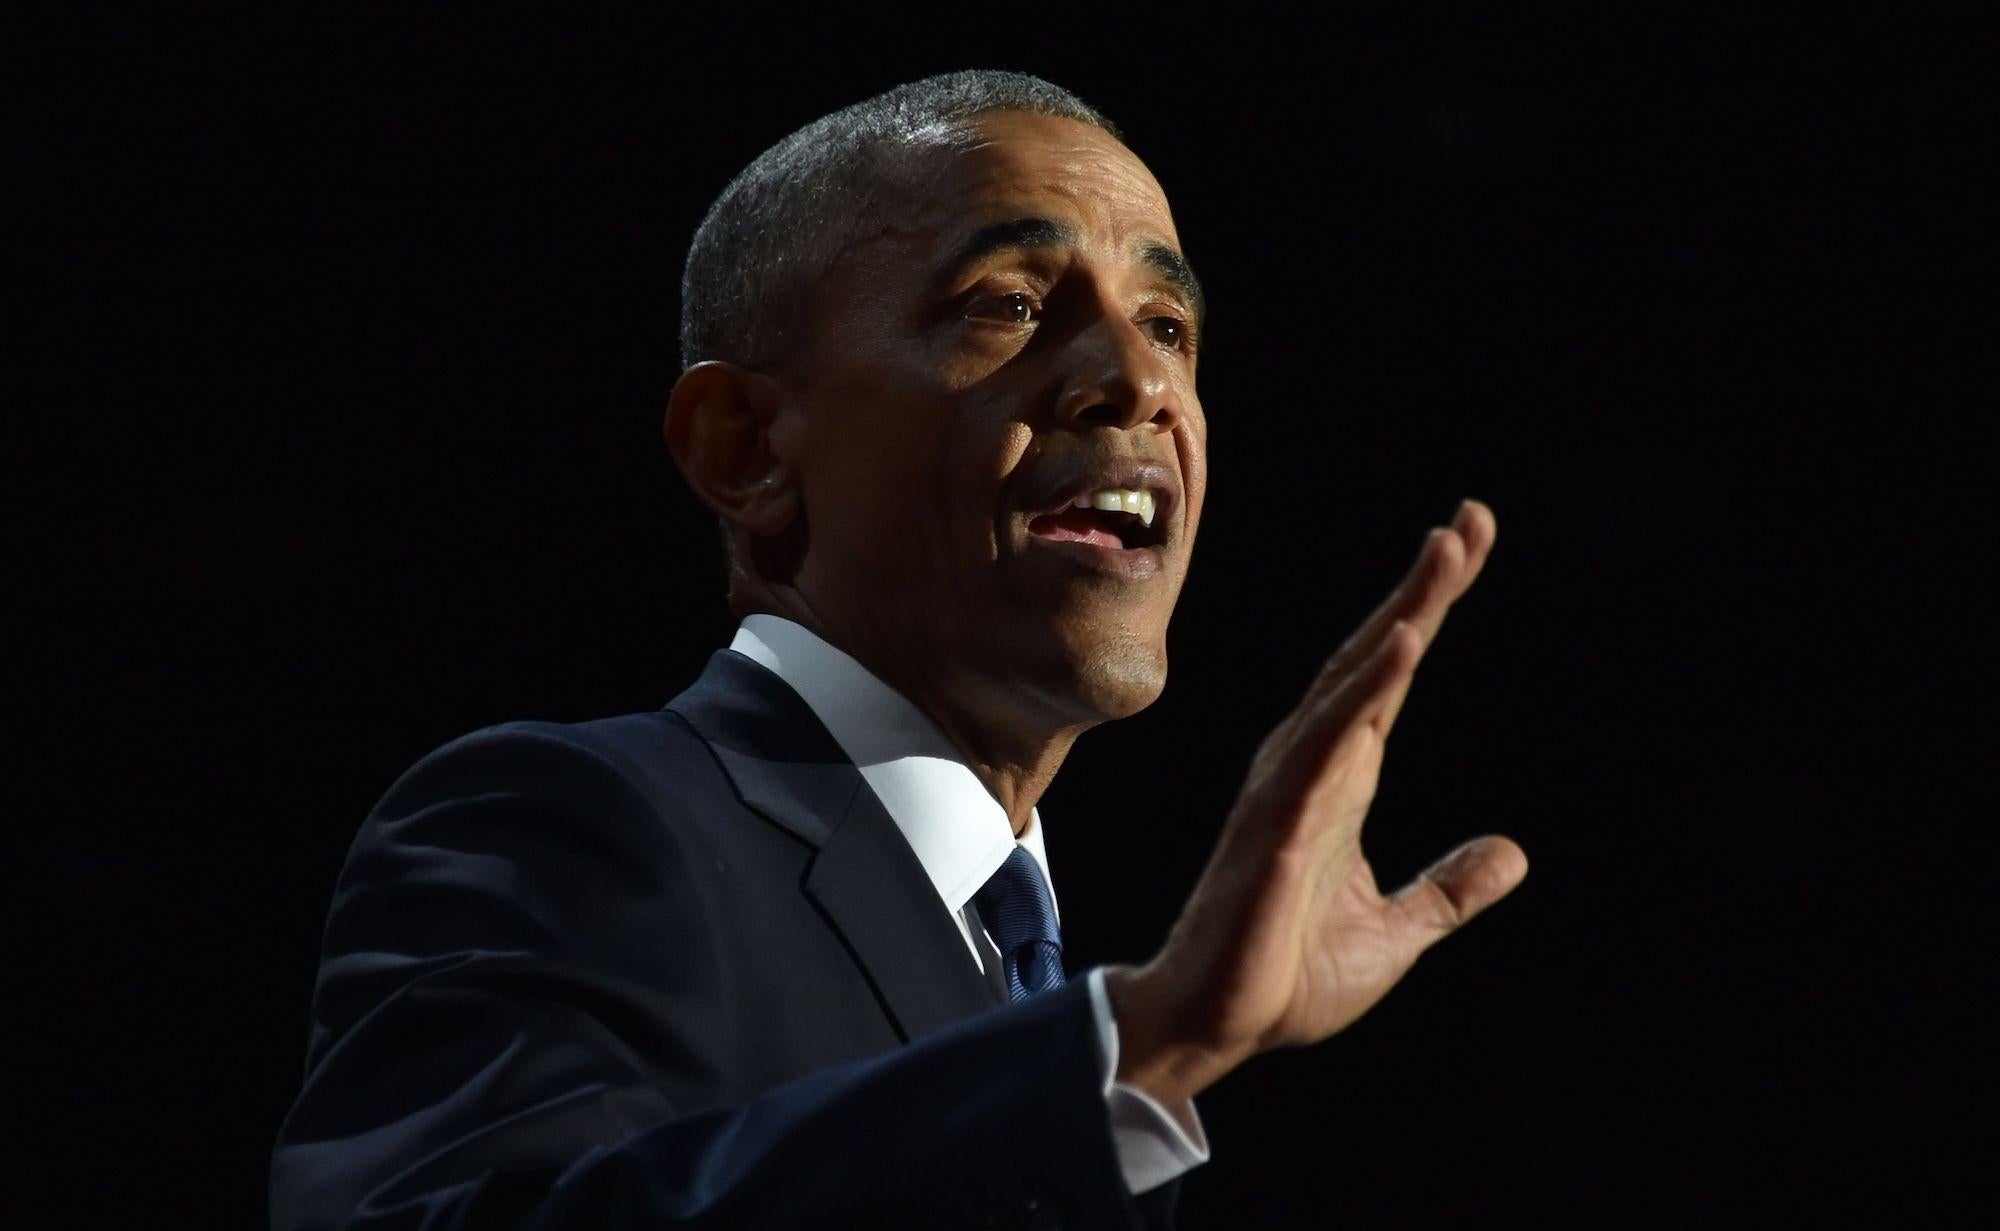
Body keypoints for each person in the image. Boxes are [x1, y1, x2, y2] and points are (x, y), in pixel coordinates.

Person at [270, 69, 1527, 1230]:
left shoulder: (1029, 982)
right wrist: (1135, 1045)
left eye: (1168, 326)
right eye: (1013, 305)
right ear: (742, 448)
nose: (1135, 382)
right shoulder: (561, 827)